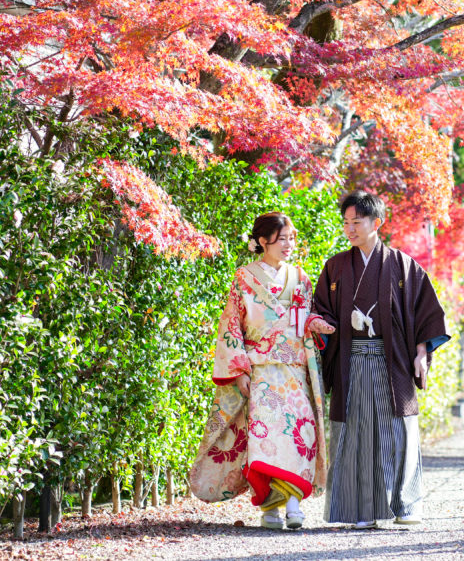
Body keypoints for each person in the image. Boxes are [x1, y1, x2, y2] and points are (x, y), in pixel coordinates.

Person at [189, 212, 336, 530]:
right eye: (282, 239)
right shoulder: (244, 277)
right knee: (267, 439)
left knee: (299, 435)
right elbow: (231, 325)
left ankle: (293, 504)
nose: (288, 244)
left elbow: (305, 316)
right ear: (262, 241)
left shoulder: (300, 277)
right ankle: (270, 509)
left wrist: (316, 323)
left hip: (294, 370)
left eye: (291, 238)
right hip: (261, 372)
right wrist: (239, 371)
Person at [312, 191, 450, 528]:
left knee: (398, 431)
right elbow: (321, 310)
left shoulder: (403, 265)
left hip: (393, 362)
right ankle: (362, 510)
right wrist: (322, 324)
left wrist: (422, 353)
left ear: (377, 223)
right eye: (346, 222)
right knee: (356, 434)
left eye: (356, 222)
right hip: (351, 361)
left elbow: (426, 313)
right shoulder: (336, 267)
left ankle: (405, 504)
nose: (349, 229)